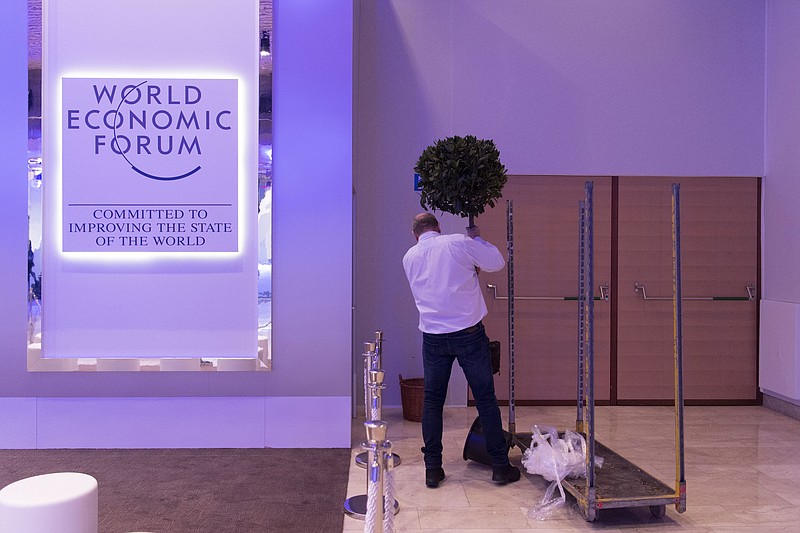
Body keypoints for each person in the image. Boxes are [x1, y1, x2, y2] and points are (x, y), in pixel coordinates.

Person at [402, 212, 521, 488]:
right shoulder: (457, 242)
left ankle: (432, 469)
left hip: (433, 337)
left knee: (432, 402)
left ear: (415, 235)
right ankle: (500, 468)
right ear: (438, 228)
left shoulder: (409, 257)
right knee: (485, 399)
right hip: (468, 334)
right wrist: (476, 238)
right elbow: (496, 262)